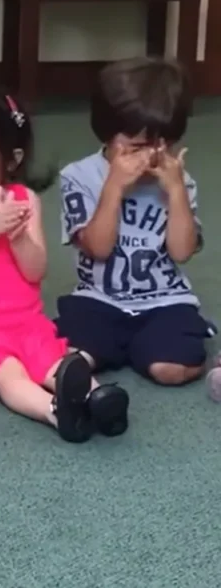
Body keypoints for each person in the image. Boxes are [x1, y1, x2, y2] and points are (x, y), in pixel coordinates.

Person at [0, 80, 129, 443]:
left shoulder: (24, 199)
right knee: (9, 375)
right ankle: (56, 414)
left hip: (23, 320)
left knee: (59, 363)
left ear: (12, 158)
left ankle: (99, 399)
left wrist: (17, 236)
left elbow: (36, 270)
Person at [55, 57, 214, 386]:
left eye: (162, 145)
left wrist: (175, 190)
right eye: (136, 146)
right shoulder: (79, 177)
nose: (149, 157)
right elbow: (98, 247)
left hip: (165, 301)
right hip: (98, 298)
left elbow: (182, 251)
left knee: (168, 370)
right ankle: (112, 355)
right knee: (69, 356)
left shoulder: (177, 180)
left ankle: (187, 351)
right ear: (106, 133)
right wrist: (114, 185)